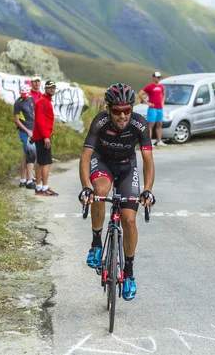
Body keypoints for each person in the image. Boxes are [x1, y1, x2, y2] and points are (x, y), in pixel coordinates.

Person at [78, 83, 156, 301]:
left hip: (126, 166)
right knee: (100, 191)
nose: (122, 116)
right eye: (117, 111)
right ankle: (96, 243)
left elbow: (148, 160)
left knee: (129, 220)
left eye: (127, 110)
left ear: (132, 109)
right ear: (108, 109)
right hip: (102, 163)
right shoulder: (100, 122)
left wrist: (147, 190)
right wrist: (86, 186)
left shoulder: (140, 124)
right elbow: (85, 157)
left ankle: (129, 273)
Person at [32, 80, 59, 196]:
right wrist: (46, 137)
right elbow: (39, 120)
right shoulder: (43, 101)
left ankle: (39, 186)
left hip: (40, 136)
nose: (52, 89)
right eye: (49, 87)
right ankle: (44, 187)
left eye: (53, 87)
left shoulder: (45, 101)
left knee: (40, 162)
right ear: (45, 89)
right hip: (43, 136)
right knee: (46, 162)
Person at [14, 83, 36, 189]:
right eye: (22, 94)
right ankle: (29, 180)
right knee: (29, 152)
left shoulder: (32, 100)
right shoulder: (18, 103)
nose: (24, 96)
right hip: (25, 131)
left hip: (33, 129)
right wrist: (27, 131)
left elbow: (34, 114)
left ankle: (23, 179)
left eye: (26, 94)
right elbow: (17, 120)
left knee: (26, 154)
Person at [138, 71, 166, 146]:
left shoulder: (161, 86)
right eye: (157, 77)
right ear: (153, 77)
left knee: (159, 124)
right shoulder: (149, 86)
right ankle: (149, 141)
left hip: (159, 108)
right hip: (152, 108)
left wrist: (162, 102)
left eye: (159, 77)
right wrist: (146, 102)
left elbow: (163, 94)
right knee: (151, 124)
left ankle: (159, 141)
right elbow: (140, 93)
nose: (158, 79)